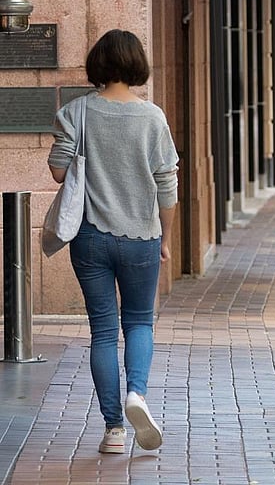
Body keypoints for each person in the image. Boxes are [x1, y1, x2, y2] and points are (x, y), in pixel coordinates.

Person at [48, 29, 178, 453]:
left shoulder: (75, 113)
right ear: (137, 65)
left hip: (90, 237)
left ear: (98, 64)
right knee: (139, 321)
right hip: (142, 236)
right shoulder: (153, 117)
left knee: (103, 332)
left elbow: (58, 172)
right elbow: (167, 186)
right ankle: (136, 394)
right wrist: (166, 239)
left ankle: (113, 431)